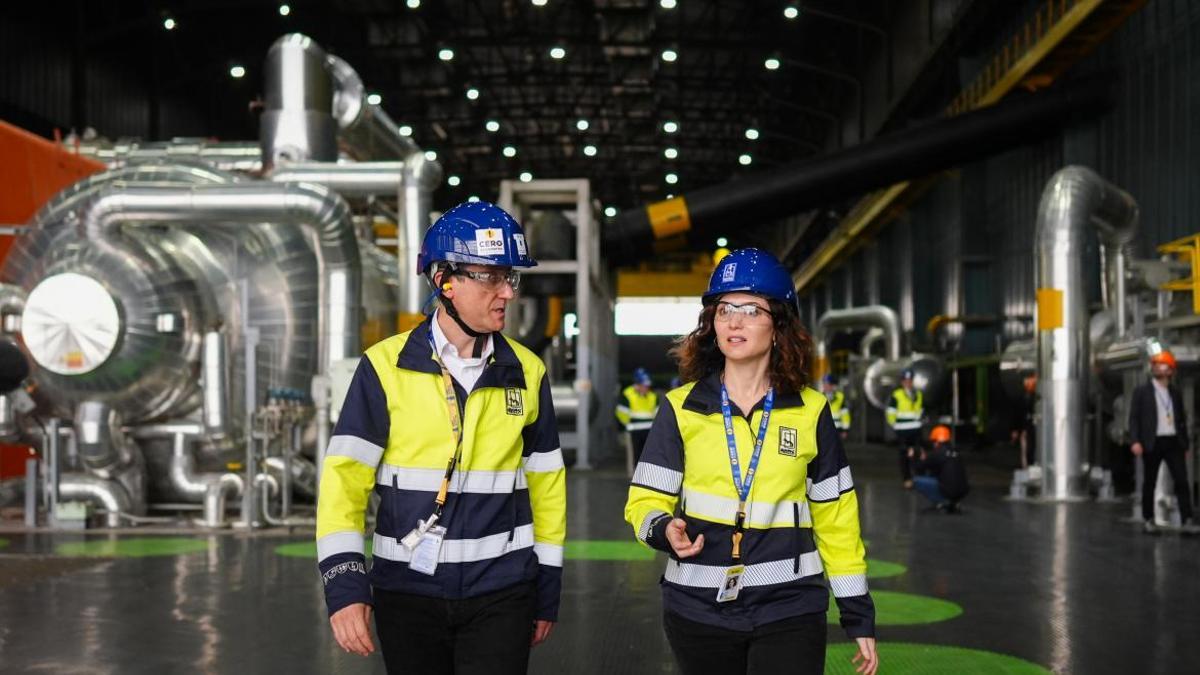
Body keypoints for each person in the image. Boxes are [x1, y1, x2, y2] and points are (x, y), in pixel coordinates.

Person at [316, 200, 567, 674]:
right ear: (444, 281)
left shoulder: (528, 373)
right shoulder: (383, 368)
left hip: (504, 592)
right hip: (406, 593)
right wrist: (345, 586)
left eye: (510, 277)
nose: (507, 293)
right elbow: (343, 484)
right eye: (491, 277)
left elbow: (547, 488)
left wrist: (547, 587)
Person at [624, 248, 878, 675]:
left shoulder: (811, 411)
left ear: (779, 326)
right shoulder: (680, 408)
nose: (734, 321)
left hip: (790, 608)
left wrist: (857, 613)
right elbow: (644, 499)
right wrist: (663, 528)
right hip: (697, 608)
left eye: (750, 310)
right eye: (724, 309)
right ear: (712, 323)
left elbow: (836, 517)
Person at [1128, 350, 1199, 535]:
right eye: (1156, 365)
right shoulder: (1142, 392)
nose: (1158, 367)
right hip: (1152, 442)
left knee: (1182, 481)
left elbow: (1181, 419)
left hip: (1173, 442)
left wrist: (1184, 445)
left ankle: (1187, 520)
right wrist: (1135, 440)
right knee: (1149, 482)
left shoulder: (1175, 393)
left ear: (1171, 370)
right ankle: (1148, 519)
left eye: (1163, 365)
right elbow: (1134, 417)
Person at [912, 425, 969, 514]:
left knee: (917, 480)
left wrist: (915, 458)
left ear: (936, 441)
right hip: (962, 491)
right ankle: (955, 502)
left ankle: (944, 502)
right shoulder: (956, 451)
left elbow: (919, 467)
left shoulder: (937, 453)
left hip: (948, 491)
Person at [886, 368, 924, 488]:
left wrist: (920, 419)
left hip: (916, 429)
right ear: (902, 382)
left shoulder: (918, 394)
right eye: (905, 380)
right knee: (904, 455)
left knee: (916, 454)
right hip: (902, 430)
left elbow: (920, 410)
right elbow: (890, 412)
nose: (908, 382)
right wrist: (895, 425)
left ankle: (918, 478)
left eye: (909, 380)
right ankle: (907, 479)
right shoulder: (897, 395)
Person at [616, 367, 660, 466]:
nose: (646, 388)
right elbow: (621, 414)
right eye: (644, 385)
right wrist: (628, 425)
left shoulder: (653, 396)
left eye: (647, 385)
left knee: (648, 458)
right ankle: (633, 478)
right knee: (634, 458)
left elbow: (657, 414)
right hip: (633, 431)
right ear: (637, 384)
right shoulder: (627, 395)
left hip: (649, 432)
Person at [821, 374, 851, 440]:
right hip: (824, 430)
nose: (825, 386)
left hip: (837, 430)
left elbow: (845, 414)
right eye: (824, 384)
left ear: (832, 385)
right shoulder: (820, 397)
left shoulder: (840, 397)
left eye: (827, 384)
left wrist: (845, 430)